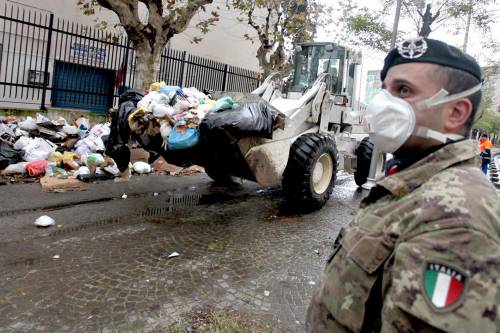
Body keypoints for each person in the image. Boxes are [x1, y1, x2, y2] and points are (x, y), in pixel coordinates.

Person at [307, 37, 500, 332]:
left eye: (404, 90)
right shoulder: (412, 184)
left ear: (455, 113)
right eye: (386, 89)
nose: (381, 104)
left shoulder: (457, 221)